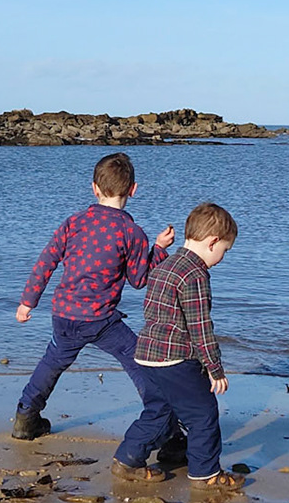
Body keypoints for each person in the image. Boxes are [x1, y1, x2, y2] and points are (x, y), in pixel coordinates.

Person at [11, 151, 176, 440]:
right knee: (138, 361)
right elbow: (139, 280)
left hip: (65, 314)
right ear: (133, 190)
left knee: (52, 362)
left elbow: (46, 261)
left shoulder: (73, 222)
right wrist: (159, 250)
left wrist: (28, 302)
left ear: (95, 188)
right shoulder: (132, 232)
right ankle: (163, 423)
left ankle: (26, 415)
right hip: (100, 320)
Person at [113, 200, 242, 489]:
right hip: (175, 358)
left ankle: (128, 459)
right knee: (203, 414)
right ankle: (206, 474)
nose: (222, 258)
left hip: (146, 354)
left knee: (160, 411)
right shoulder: (195, 274)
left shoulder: (164, 265)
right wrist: (215, 369)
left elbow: (152, 310)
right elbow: (201, 328)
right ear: (212, 242)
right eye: (224, 251)